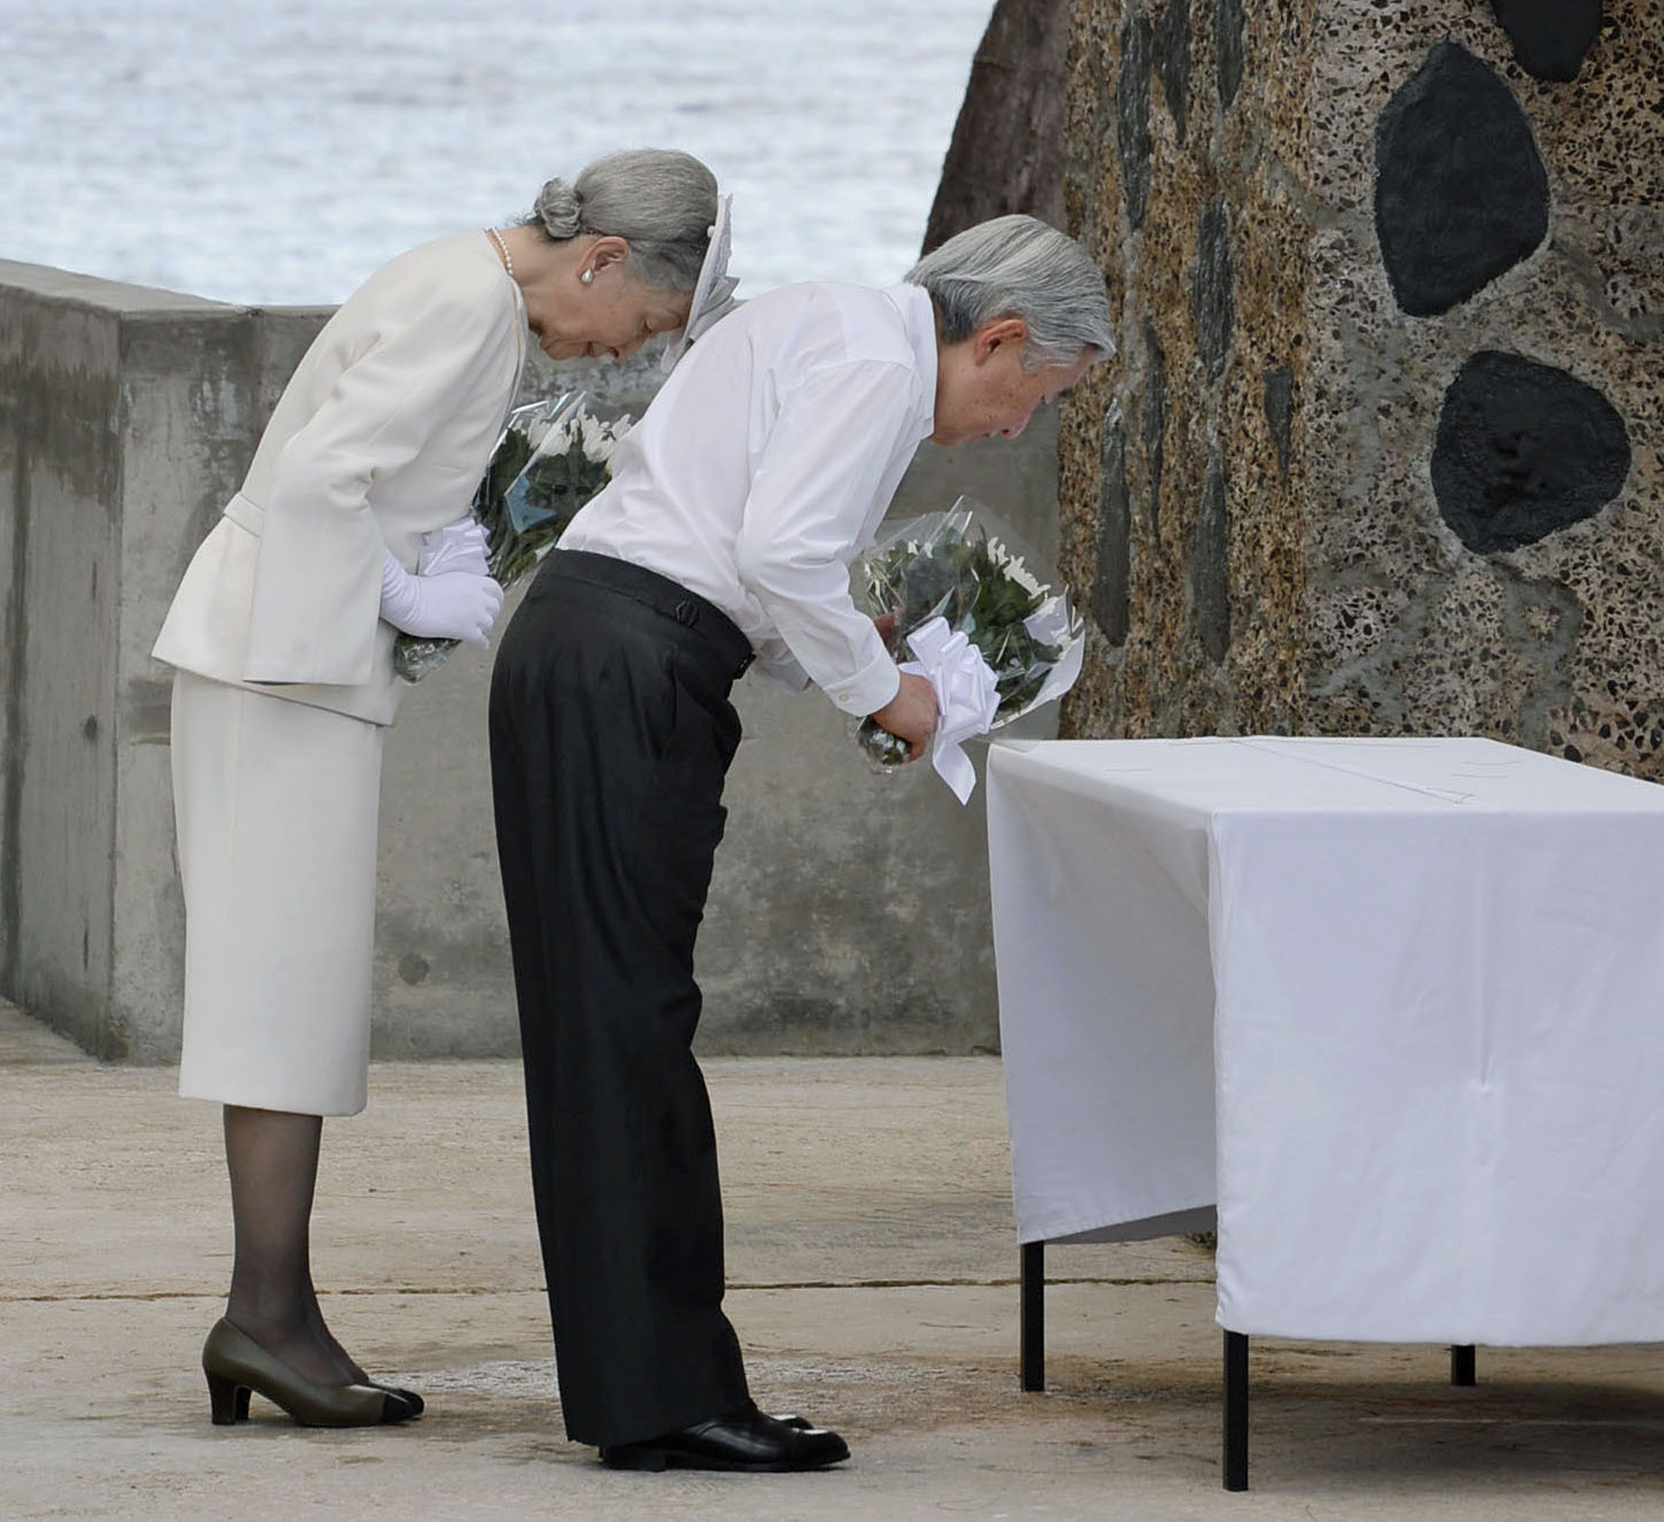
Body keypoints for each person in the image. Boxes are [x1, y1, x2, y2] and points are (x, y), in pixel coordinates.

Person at [486, 213, 1116, 1474]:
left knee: (603, 1029)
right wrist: (890, 694)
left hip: (582, 642)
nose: (1015, 426)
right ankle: (666, 1397)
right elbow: (777, 552)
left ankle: (642, 1388)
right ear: (993, 337)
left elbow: (748, 554)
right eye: (1034, 393)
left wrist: (854, 641)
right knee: (631, 1031)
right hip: (630, 665)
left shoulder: (819, 317)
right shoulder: (881, 364)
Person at [150, 148, 726, 1429]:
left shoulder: (462, 287)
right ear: (604, 260)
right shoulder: (466, 305)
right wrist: (407, 591)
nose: (619, 353)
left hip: (285, 663)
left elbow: (369, 472)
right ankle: (264, 1318)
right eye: (641, 323)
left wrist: (441, 541)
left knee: (290, 1001)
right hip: (275, 667)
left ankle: (273, 1312)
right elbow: (314, 481)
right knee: (278, 1002)